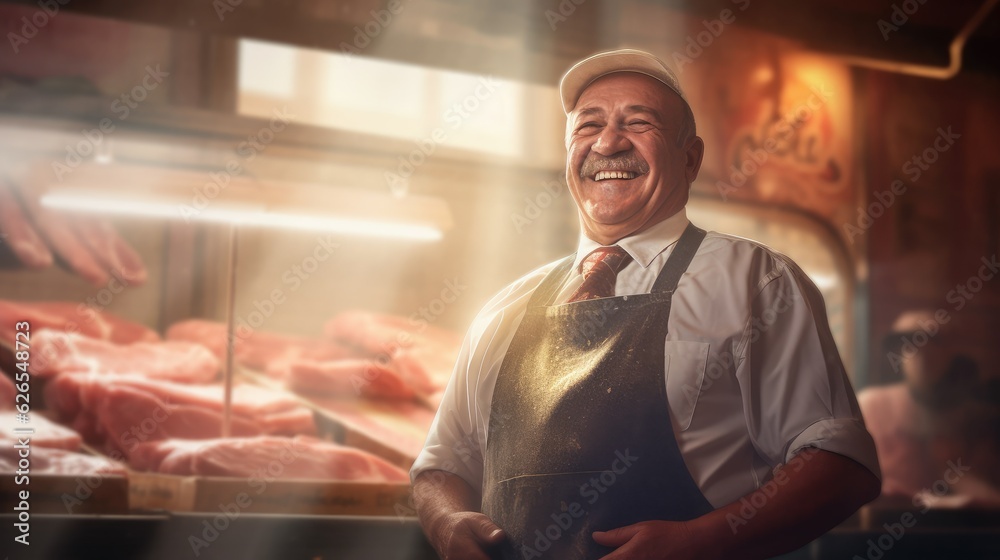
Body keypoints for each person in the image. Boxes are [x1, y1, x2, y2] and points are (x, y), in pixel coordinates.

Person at [411, 48, 881, 560]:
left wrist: (701, 541)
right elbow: (442, 465)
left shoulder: (755, 281)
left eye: (639, 123)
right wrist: (445, 519)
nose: (608, 143)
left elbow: (840, 465)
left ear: (691, 157)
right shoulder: (501, 310)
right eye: (587, 127)